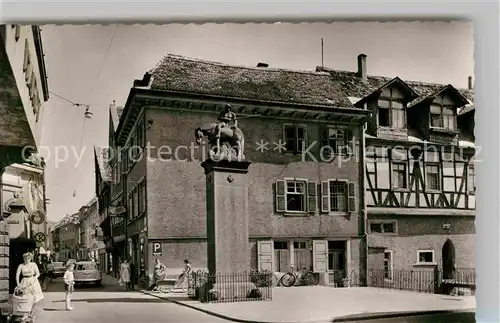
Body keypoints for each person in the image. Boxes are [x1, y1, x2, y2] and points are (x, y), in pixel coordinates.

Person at [16, 252, 44, 319]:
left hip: (33, 281)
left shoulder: (33, 264)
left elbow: (38, 273)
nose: (27, 259)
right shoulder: (21, 265)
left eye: (28, 258)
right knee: (25, 298)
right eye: (25, 258)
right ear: (23, 258)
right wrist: (18, 284)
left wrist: (35, 278)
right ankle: (26, 313)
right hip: (25, 281)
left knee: (34, 298)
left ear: (30, 258)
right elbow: (17, 275)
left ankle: (30, 312)